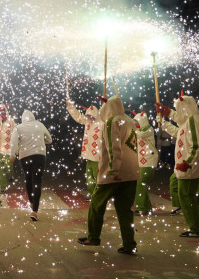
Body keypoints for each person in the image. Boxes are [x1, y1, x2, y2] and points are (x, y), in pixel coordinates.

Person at [78, 95, 139, 254]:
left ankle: (93, 237)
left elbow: (114, 148)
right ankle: (129, 244)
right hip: (131, 173)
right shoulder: (129, 120)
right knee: (125, 210)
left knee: (96, 205)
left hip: (114, 173)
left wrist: (114, 170)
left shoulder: (112, 122)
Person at [157, 92, 199, 237]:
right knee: (192, 194)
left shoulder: (193, 120)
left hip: (191, 165)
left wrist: (188, 163)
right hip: (193, 164)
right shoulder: (189, 120)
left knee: (185, 194)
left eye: (179, 109)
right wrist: (166, 118)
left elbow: (197, 145)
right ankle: (198, 219)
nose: (178, 112)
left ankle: (195, 228)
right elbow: (178, 131)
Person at [9, 110, 52, 221]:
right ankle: (35, 211)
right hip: (39, 157)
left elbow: (13, 142)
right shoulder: (40, 124)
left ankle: (32, 202)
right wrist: (40, 140)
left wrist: (12, 155)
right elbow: (49, 139)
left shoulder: (18, 127)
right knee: (37, 181)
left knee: (28, 179)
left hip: (25, 157)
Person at [66, 99, 103, 200]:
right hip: (88, 155)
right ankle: (93, 194)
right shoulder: (87, 121)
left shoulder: (102, 123)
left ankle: (99, 195)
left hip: (98, 157)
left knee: (97, 177)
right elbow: (77, 116)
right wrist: (70, 106)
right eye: (88, 116)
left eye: (91, 116)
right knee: (89, 177)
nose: (89, 118)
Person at [131, 111, 158, 216]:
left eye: (137, 123)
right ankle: (146, 208)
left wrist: (130, 127)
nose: (136, 125)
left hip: (149, 161)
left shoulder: (148, 129)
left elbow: (140, 134)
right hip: (141, 162)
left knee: (140, 183)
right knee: (141, 184)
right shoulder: (137, 131)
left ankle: (141, 207)